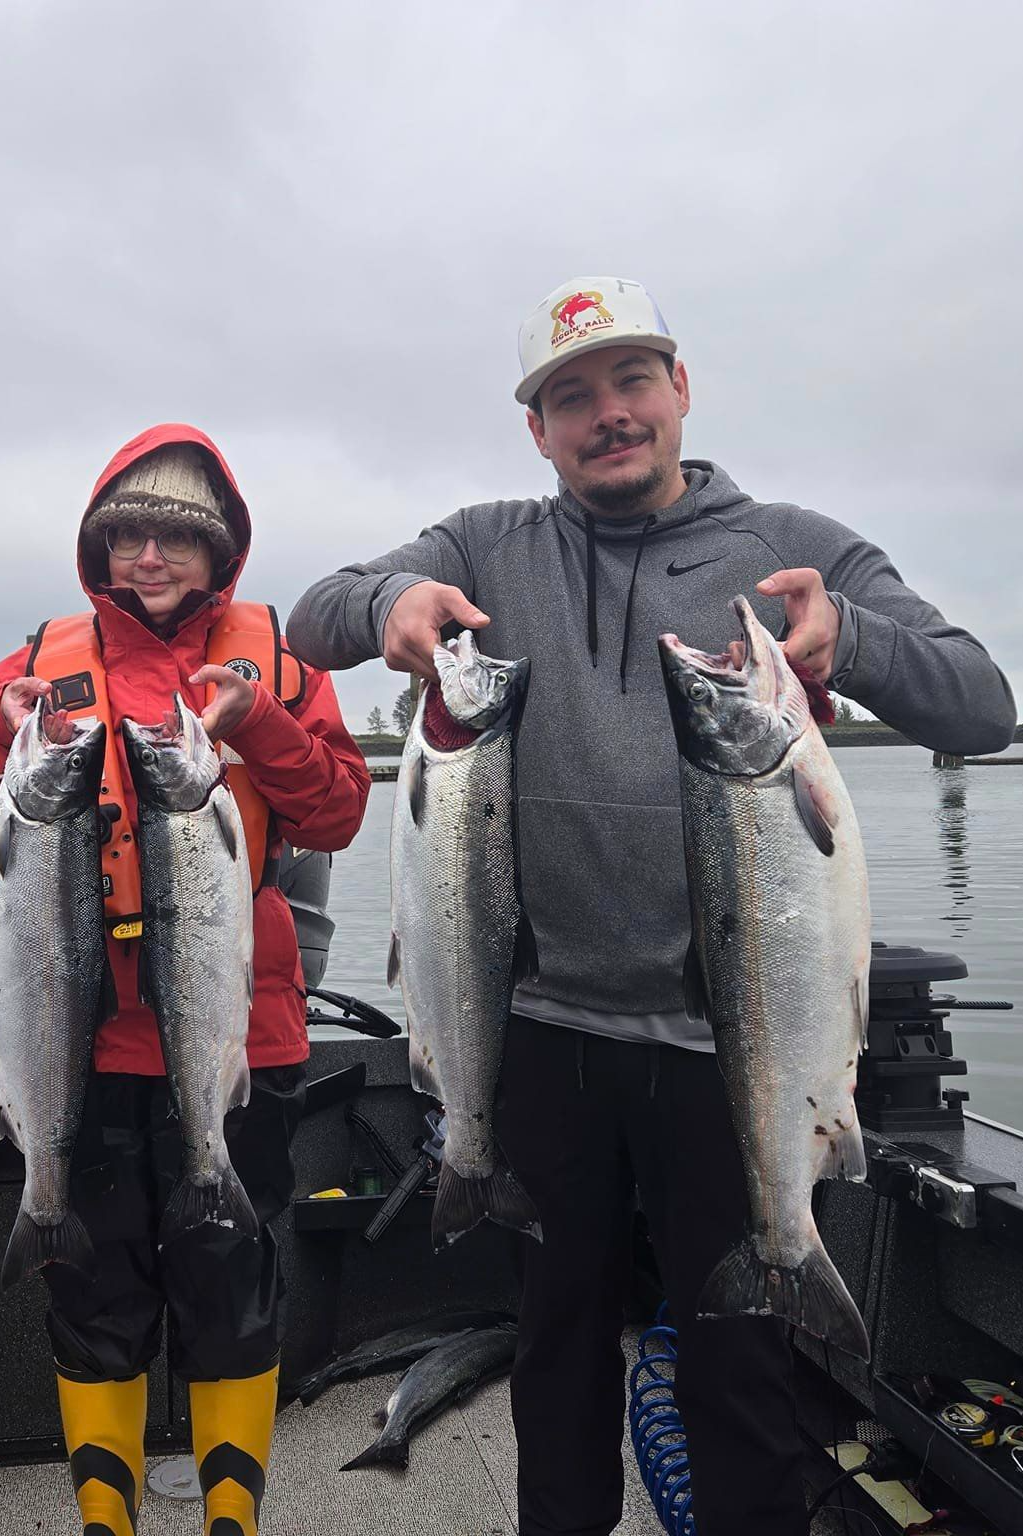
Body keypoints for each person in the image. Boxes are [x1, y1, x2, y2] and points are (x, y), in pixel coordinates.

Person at [285, 277, 1017, 1536]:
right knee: (555, 1351)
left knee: (742, 1367)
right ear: (538, 430)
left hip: (736, 1048)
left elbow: (984, 704)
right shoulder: (486, 545)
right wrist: (388, 605)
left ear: (681, 389)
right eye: (572, 397)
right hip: (539, 1036)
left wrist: (855, 640)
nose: (608, 414)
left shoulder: (791, 546)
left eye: (632, 380)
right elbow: (315, 616)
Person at [0, 424, 369, 1536]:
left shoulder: (280, 664)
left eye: (176, 538)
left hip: (242, 1031)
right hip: (75, 1040)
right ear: (97, 547)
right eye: (127, 535)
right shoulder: (33, 666)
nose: (149, 557)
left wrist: (261, 722)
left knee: (233, 1288)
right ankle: (108, 1519)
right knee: (95, 1300)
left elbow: (337, 811)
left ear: (220, 549)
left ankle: (230, 1518)